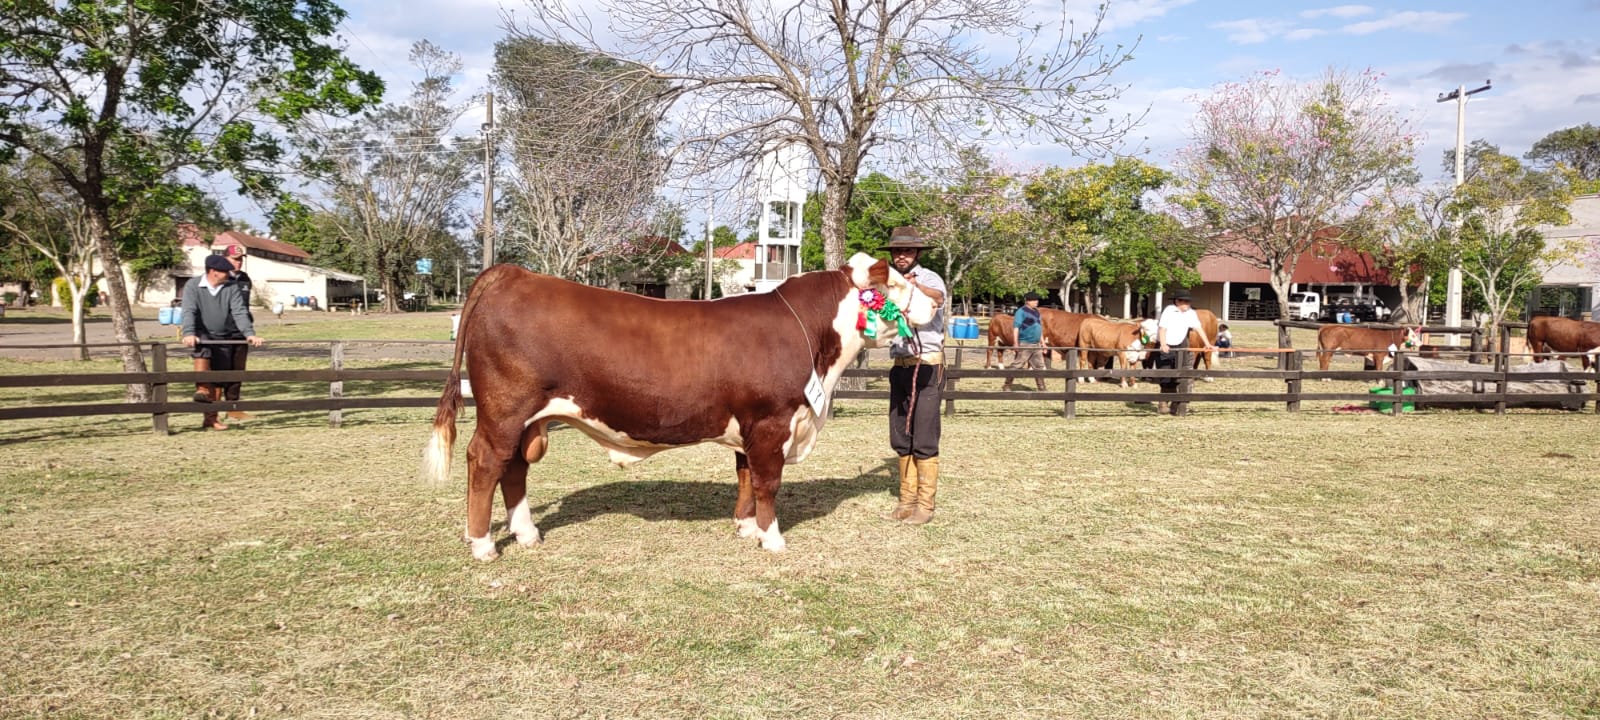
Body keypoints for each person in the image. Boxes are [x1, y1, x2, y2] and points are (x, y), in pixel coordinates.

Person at [882, 227, 946, 526]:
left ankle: (925, 505)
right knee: (900, 435)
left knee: (924, 436)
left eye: (907, 251)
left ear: (917, 253)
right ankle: (906, 501)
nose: (901, 256)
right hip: (900, 365)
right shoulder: (888, 284)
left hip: (927, 365)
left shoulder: (929, 278)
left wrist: (914, 287)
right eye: (897, 251)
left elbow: (938, 297)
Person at [181, 254, 263, 431]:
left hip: (223, 335)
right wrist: (189, 333)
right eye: (225, 271)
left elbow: (239, 311)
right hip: (202, 333)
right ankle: (202, 388)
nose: (229, 274)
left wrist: (249, 334)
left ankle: (211, 418)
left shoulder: (231, 286)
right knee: (203, 350)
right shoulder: (193, 285)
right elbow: (188, 310)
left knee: (219, 379)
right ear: (214, 272)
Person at [1154, 290, 1213, 415]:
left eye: (1188, 301)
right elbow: (1162, 328)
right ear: (1177, 301)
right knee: (1166, 373)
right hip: (1166, 344)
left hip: (1181, 344)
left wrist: (1207, 343)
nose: (1187, 304)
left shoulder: (1191, 313)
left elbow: (1198, 328)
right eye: (1184, 301)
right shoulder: (1169, 310)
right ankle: (1164, 402)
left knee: (1180, 374)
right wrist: (1163, 344)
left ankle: (1176, 403)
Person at [222, 245, 256, 420]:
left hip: (241, 332)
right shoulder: (218, 278)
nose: (238, 262)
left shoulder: (244, 278)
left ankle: (233, 408)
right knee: (219, 371)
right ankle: (212, 412)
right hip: (220, 332)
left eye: (240, 259)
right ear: (225, 259)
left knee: (237, 371)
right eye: (235, 259)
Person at [1001, 291, 1047, 391]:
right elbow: (1016, 327)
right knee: (1018, 364)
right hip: (1026, 343)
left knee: (1039, 366)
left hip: (1036, 344)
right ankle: (1007, 384)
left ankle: (1041, 387)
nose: (1036, 301)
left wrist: (1043, 343)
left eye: (1037, 300)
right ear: (1027, 301)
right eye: (1033, 300)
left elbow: (1039, 328)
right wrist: (1015, 343)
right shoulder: (1021, 312)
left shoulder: (1037, 312)